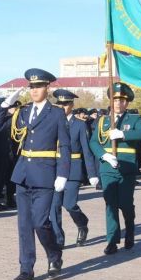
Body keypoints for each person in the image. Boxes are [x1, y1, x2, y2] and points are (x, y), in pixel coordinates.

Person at [0, 69, 70, 280]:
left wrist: (63, 173)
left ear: (47, 88)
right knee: (24, 225)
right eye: (31, 87)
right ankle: (26, 268)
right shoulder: (23, 112)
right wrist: (5, 105)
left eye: (38, 86)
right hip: (23, 174)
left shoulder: (56, 113)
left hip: (45, 174)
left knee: (40, 222)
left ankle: (54, 255)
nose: (34, 90)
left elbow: (64, 144)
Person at [89, 82, 141, 255]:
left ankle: (129, 232)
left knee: (125, 204)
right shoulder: (103, 121)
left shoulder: (134, 119)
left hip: (126, 167)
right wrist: (104, 155)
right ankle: (112, 240)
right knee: (110, 205)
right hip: (108, 167)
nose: (118, 103)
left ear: (127, 102)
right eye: (115, 99)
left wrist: (123, 134)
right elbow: (93, 141)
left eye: (122, 100)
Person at [49, 89, 98, 248]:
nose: (62, 106)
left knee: (69, 204)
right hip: (55, 168)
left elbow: (86, 149)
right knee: (54, 206)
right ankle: (58, 239)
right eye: (60, 103)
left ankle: (82, 223)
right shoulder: (52, 122)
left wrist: (92, 173)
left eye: (66, 103)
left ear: (72, 104)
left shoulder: (79, 124)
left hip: (73, 169)